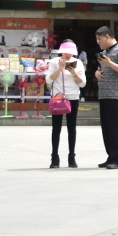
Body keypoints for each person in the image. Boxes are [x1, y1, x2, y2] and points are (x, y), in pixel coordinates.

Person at [93, 26, 118, 169]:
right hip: (104, 94)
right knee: (106, 128)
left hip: (116, 95)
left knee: (114, 128)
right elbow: (100, 69)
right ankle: (110, 156)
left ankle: (117, 159)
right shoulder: (104, 53)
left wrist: (109, 63)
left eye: (99, 39)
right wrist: (97, 73)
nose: (98, 42)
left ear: (107, 37)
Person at [46, 41, 85, 169]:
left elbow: (83, 83)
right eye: (65, 52)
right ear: (61, 51)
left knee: (71, 128)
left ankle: (71, 157)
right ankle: (54, 157)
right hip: (58, 97)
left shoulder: (78, 63)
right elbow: (48, 80)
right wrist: (60, 69)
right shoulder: (53, 62)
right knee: (56, 128)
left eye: (70, 53)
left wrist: (74, 73)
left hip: (73, 97)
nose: (68, 55)